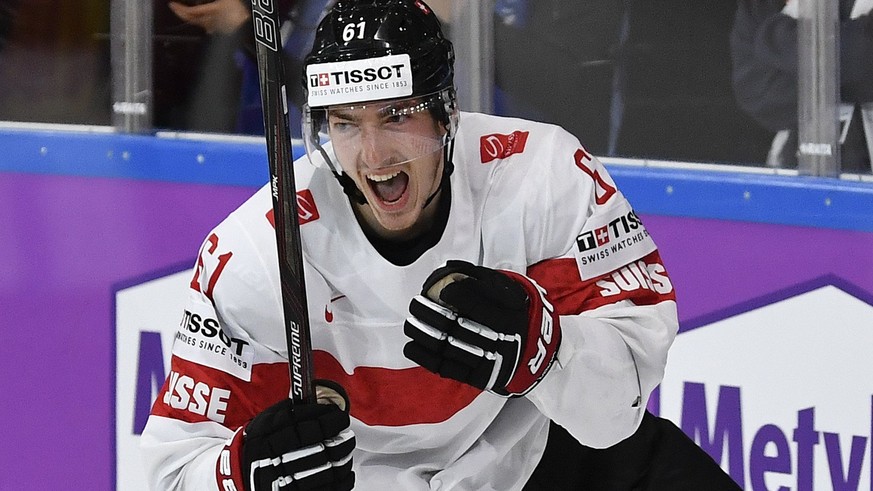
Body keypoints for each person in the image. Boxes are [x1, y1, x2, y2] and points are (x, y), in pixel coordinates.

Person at [142, 1, 739, 489]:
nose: (374, 157)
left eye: (397, 114)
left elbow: (617, 411)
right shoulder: (253, 254)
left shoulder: (543, 176)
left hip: (532, 456)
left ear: (446, 114)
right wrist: (238, 477)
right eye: (346, 122)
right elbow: (169, 473)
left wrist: (547, 350)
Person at [730, 0, 873, 171]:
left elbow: (861, 60)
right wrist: (846, 77)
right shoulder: (763, 5)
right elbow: (757, 91)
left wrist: (776, 33)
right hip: (797, 174)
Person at [167, 0, 334, 136]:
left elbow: (327, 94)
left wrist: (243, 27)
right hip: (245, 145)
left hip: (307, 156)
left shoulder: (347, 13)